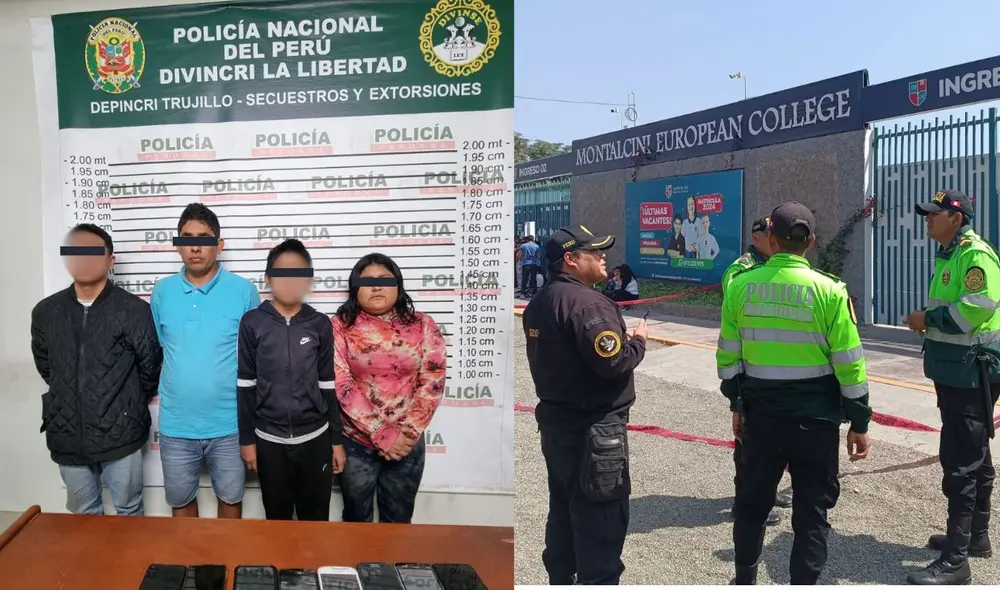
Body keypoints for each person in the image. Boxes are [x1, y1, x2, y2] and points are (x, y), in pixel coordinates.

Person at [716, 202, 871, 585]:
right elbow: (850, 363)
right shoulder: (831, 291)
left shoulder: (739, 287)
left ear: (770, 239)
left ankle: (744, 578)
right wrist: (860, 420)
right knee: (812, 513)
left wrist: (736, 402)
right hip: (815, 424)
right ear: (812, 242)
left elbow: (728, 357)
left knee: (751, 506)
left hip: (761, 419)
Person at [523, 224, 648, 585]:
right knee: (601, 526)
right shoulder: (589, 304)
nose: (603, 256)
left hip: (557, 427)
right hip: (594, 431)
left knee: (563, 513)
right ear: (571, 259)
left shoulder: (541, 301)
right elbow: (614, 361)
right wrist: (638, 341)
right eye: (595, 252)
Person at [31, 224, 162, 516]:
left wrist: (123, 404)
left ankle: (131, 564)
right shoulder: (46, 312)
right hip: (67, 434)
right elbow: (46, 365)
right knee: (83, 517)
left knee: (129, 510)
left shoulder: (133, 310)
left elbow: (150, 367)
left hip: (121, 435)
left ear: (110, 260)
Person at [904, 189, 1000, 585]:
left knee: (961, 460)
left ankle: (956, 562)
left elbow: (979, 306)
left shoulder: (974, 255)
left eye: (934, 213)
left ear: (956, 219)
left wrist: (928, 318)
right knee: (975, 452)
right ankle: (975, 537)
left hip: (971, 371)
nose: (927, 218)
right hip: (955, 371)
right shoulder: (950, 254)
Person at [151, 203, 261, 519]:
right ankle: (188, 567)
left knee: (230, 500)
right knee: (181, 504)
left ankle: (223, 569)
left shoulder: (243, 291)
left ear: (219, 245)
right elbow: (162, 346)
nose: (195, 247)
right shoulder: (162, 291)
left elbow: (253, 357)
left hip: (229, 424)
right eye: (186, 238)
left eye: (204, 238)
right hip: (176, 425)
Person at [237, 239, 347, 521]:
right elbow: (246, 386)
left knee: (316, 521)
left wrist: (335, 441)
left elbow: (327, 385)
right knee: (277, 521)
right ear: (268, 278)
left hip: (315, 439)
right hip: (269, 442)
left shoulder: (320, 324)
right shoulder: (252, 322)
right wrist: (248, 440)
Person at [333, 253, 447, 524]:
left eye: (384, 280)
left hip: (407, 442)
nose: (376, 287)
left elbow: (433, 379)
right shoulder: (340, 327)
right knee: (356, 518)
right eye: (367, 281)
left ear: (398, 285)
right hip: (356, 442)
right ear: (355, 289)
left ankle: (395, 567)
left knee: (399, 520)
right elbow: (341, 383)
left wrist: (404, 435)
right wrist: (382, 433)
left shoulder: (423, 325)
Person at [720, 216, 791, 527]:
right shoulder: (741, 270)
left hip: (777, 366)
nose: (776, 240)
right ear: (758, 237)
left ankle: (768, 490)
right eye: (771, 235)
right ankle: (743, 501)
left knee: (776, 440)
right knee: (748, 441)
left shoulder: (778, 265)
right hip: (749, 369)